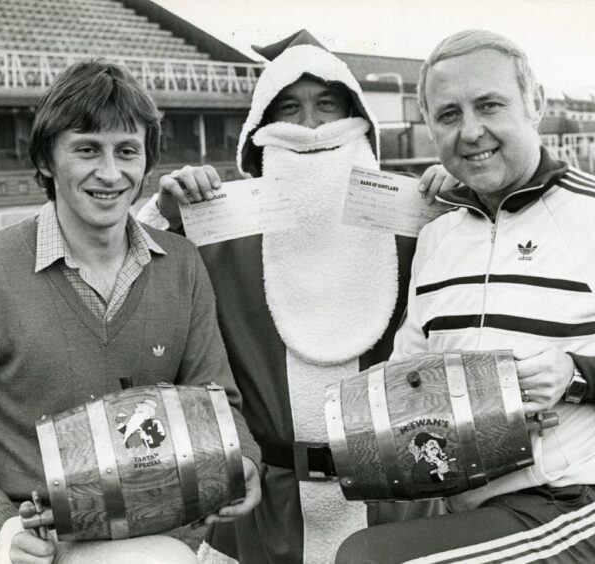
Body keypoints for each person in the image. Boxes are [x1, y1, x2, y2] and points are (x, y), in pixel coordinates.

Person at [335, 29, 595, 564]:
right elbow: (411, 382)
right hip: (472, 513)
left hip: (579, 507)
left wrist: (580, 376)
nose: (471, 131)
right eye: (448, 115)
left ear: (534, 103)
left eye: (489, 105)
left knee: (369, 560)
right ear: (429, 124)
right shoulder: (438, 239)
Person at [0, 59, 262, 564]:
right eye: (86, 150)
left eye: (127, 151)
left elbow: (217, 402)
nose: (110, 173)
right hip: (24, 542)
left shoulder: (181, 264)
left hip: (140, 539)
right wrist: (0, 531)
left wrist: (242, 458)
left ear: (147, 161)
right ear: (48, 160)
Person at [137, 30, 451, 564]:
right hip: (264, 511)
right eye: (290, 108)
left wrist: (462, 203)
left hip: (395, 503)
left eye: (327, 106)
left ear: (356, 116)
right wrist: (164, 215)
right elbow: (125, 290)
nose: (310, 127)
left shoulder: (410, 215)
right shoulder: (222, 222)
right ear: (261, 126)